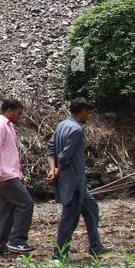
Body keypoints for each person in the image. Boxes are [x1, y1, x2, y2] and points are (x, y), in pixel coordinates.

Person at [49, 97, 111, 259]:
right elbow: (65, 156)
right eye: (88, 113)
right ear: (82, 112)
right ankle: (59, 254)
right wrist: (57, 170)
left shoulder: (61, 125)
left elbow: (50, 149)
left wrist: (52, 169)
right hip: (73, 181)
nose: (88, 117)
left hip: (77, 182)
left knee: (91, 208)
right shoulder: (76, 130)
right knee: (70, 218)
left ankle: (95, 246)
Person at [0, 98, 35, 256]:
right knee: (26, 203)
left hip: (8, 174)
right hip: (5, 175)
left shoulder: (8, 127)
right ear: (9, 110)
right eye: (18, 113)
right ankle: (17, 241)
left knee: (6, 210)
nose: (19, 116)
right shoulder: (0, 126)